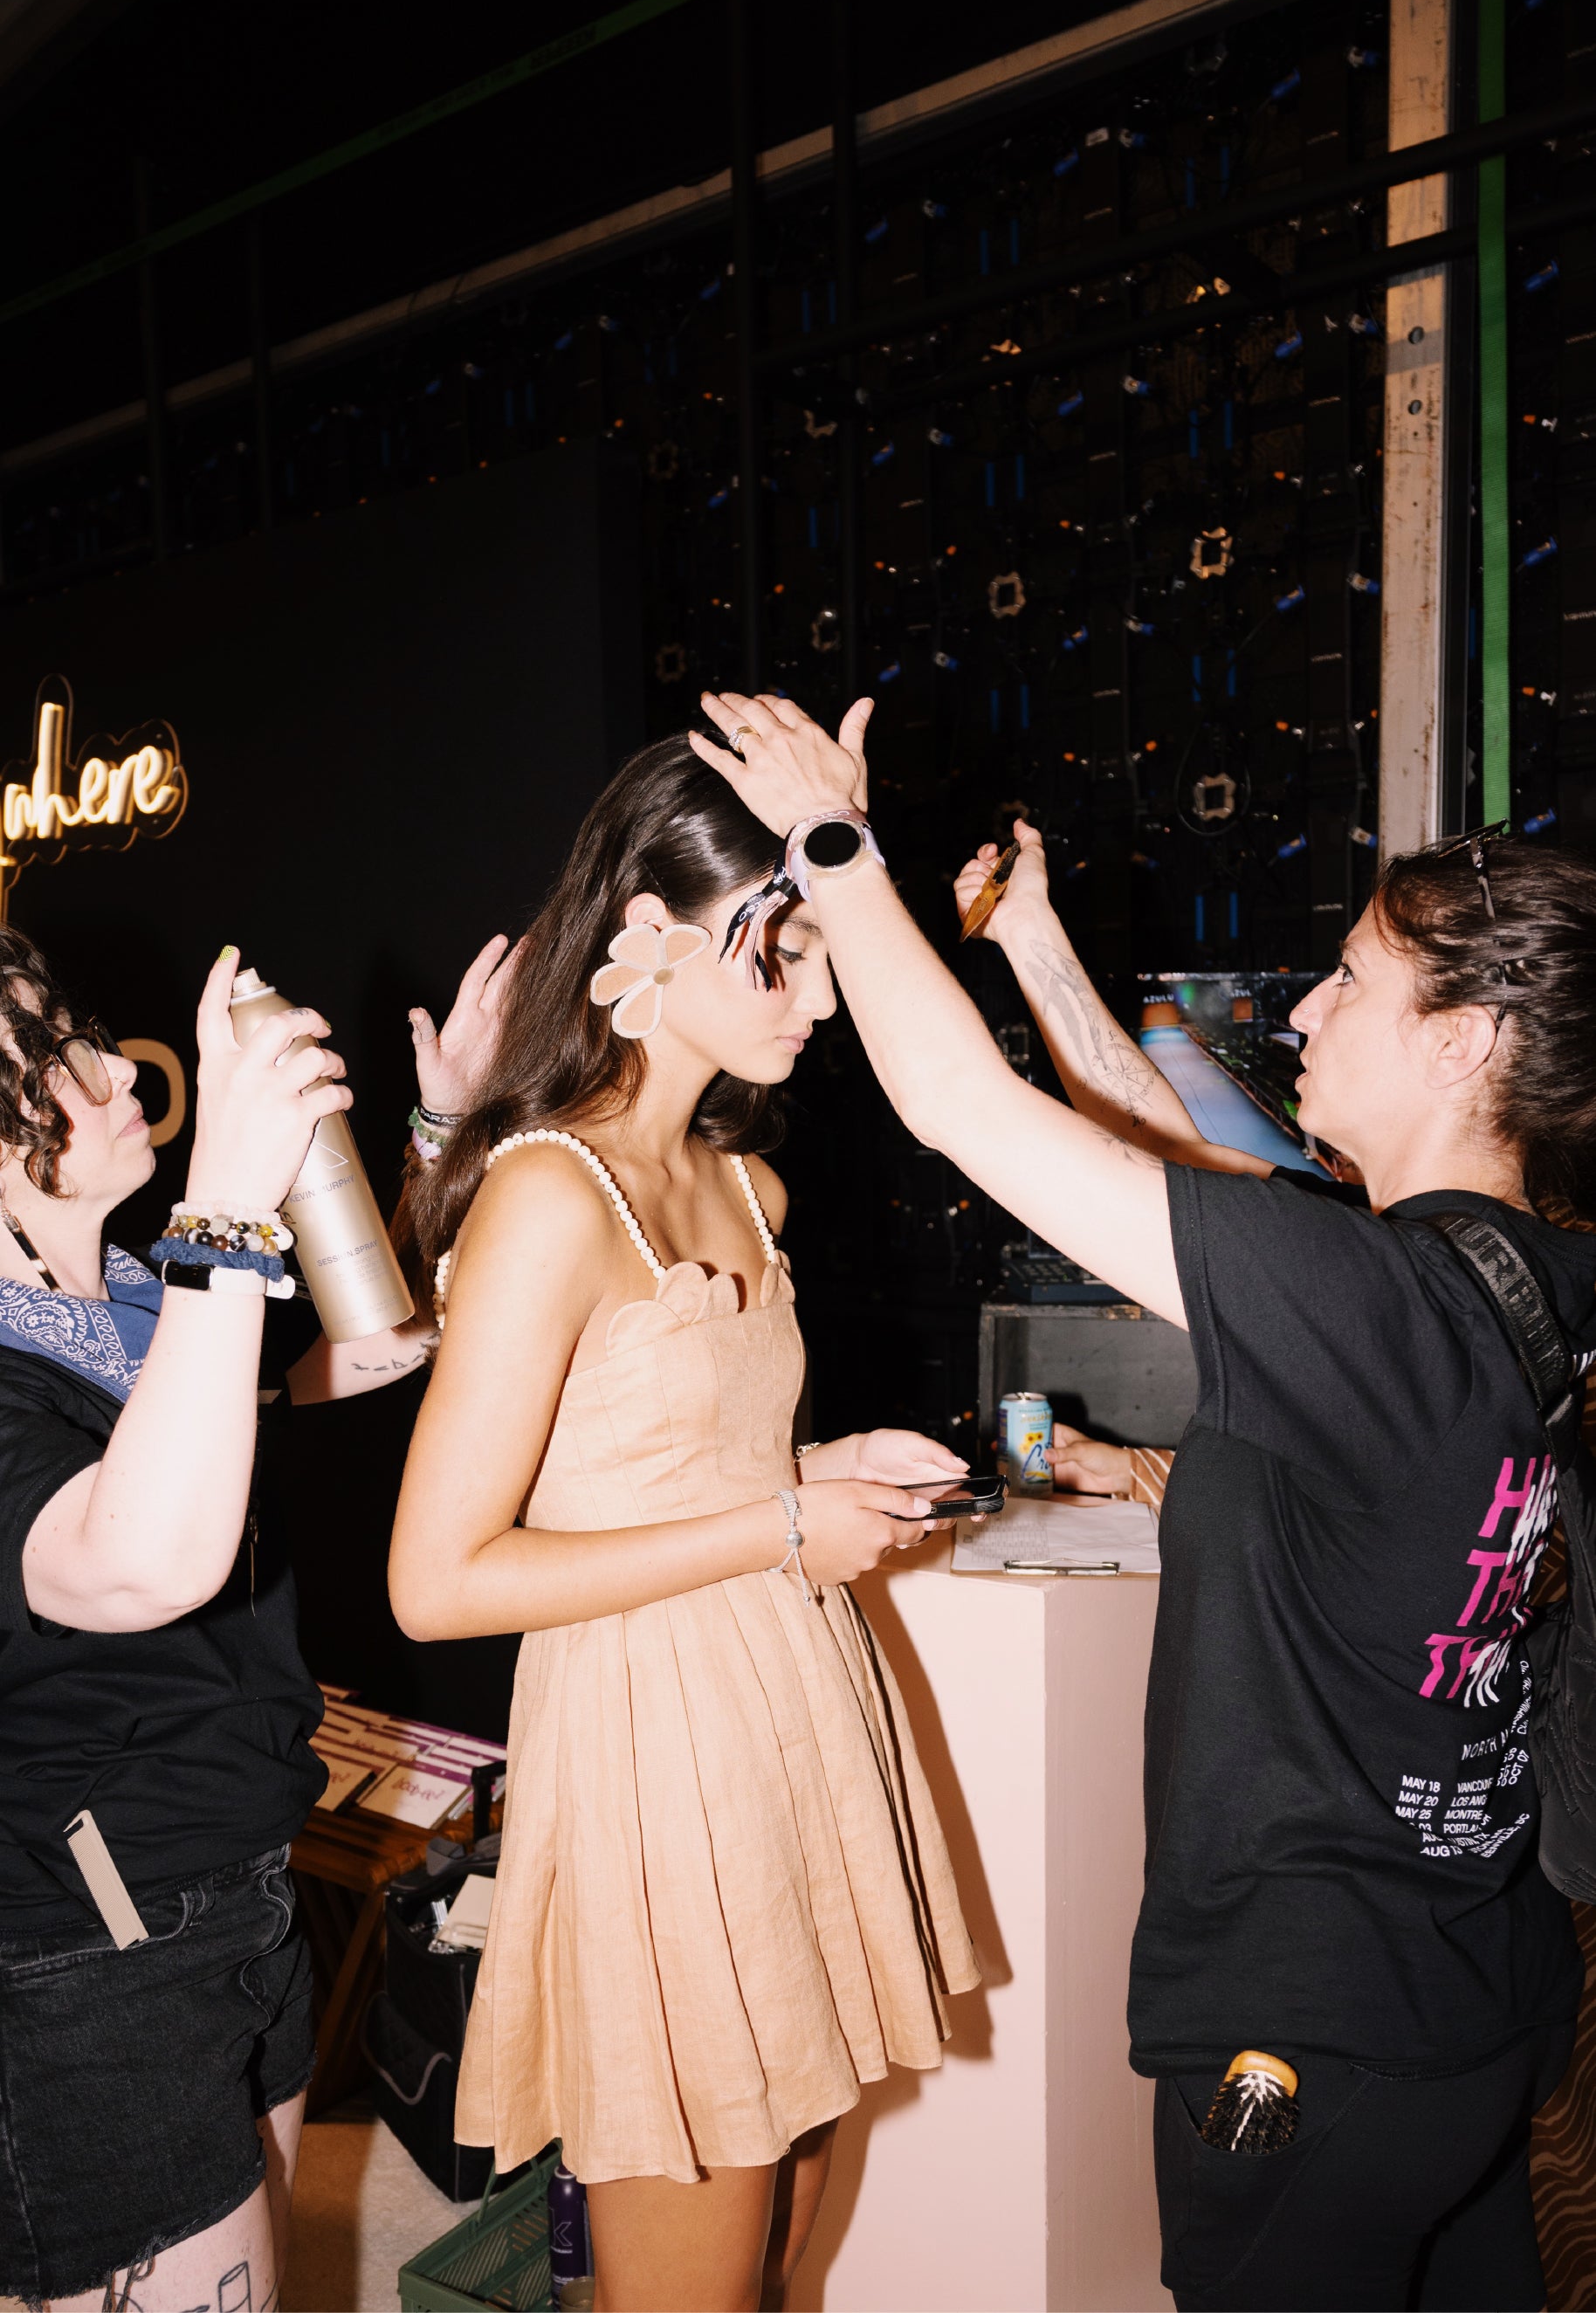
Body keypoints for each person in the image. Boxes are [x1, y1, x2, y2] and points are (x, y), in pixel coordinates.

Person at [693, 691, 1596, 2313]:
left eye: (1354, 980)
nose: (1308, 1007)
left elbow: (960, 1109)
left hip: (1312, 2030)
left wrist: (835, 845)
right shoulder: (1517, 1283)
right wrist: (1033, 944)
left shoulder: (1385, 1308)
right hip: (1470, 1994)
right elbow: (1173, 1153)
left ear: (1464, 1042)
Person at [389, 736, 980, 2313]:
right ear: (649, 931)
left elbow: (673, 1461)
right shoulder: (548, 1194)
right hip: (651, 1757)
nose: (820, 997)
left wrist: (827, 1468)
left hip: (796, 1727)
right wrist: (782, 1522)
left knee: (778, 2247)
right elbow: (436, 1580)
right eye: (786, 948)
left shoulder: (744, 1189)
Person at [0, 926, 508, 2313]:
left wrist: (444, 1131)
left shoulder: (125, 1297)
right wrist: (224, 1204)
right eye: (51, 1062)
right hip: (92, 1958)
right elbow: (142, 1559)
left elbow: (380, 1343)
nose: (117, 1072)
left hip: (241, 1886)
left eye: (83, 1036)